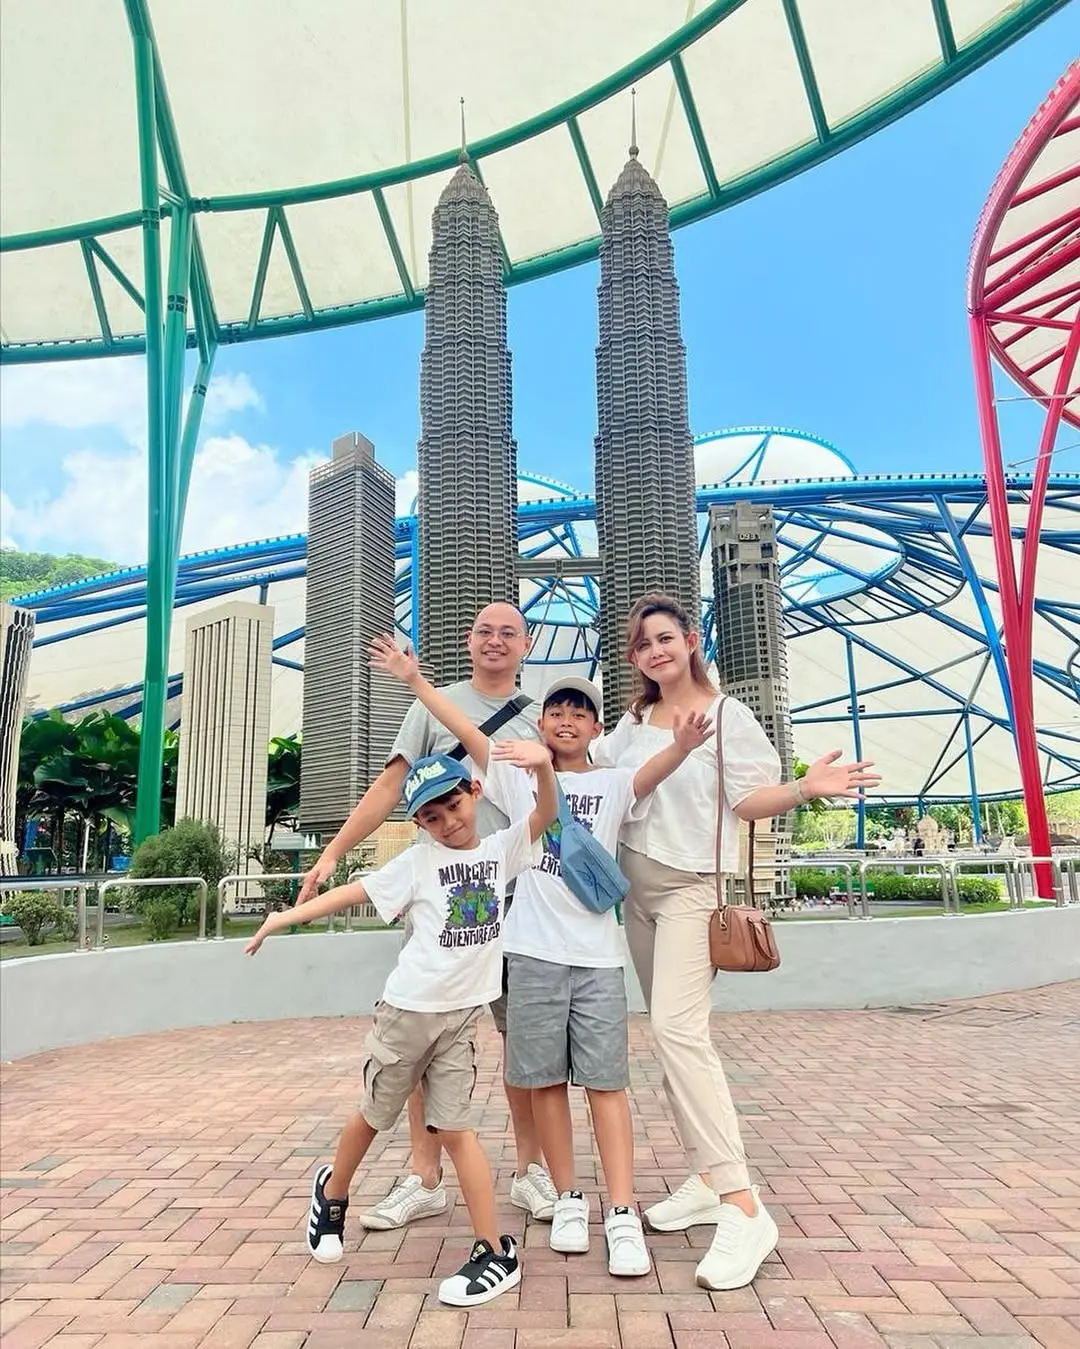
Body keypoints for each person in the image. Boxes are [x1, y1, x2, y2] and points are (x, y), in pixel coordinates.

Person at [371, 638, 715, 1277]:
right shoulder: (512, 774)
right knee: (546, 1082)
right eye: (555, 711)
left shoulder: (612, 782)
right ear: (541, 724)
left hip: (598, 957)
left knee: (607, 1084)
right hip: (529, 952)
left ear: (596, 728)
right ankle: (568, 1196)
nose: (565, 719)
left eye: (579, 712)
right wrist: (415, 682)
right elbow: (464, 728)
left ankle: (621, 1209)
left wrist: (684, 746)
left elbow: (655, 770)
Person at [596, 593, 881, 1291]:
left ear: (691, 640)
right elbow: (600, 782)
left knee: (678, 1031)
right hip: (635, 895)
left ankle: (742, 1204)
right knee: (669, 1036)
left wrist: (806, 788)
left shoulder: (729, 716)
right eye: (642, 644)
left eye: (665, 637)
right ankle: (703, 1177)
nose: (655, 651)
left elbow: (747, 800)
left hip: (693, 890)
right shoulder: (631, 722)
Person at [246, 738, 558, 1306]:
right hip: (406, 1016)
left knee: (456, 1130)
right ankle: (332, 1194)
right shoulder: (417, 864)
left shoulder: (499, 851)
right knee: (375, 1115)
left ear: (475, 792)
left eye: (453, 806)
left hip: (460, 1020)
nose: (448, 822)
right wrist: (283, 917)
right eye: (431, 817)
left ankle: (495, 1250)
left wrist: (542, 768)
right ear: (419, 823)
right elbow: (352, 893)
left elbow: (546, 814)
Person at [297, 603, 557, 1229]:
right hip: (442, 903)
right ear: (469, 640)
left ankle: (531, 1169)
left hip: (520, 899)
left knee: (522, 1040)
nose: (495, 641)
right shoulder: (430, 706)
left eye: (509, 633)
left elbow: (562, 795)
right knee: (421, 1038)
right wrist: (334, 852)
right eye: (484, 631)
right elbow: (390, 787)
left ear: (526, 645)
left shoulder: (540, 716)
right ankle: (424, 1174)